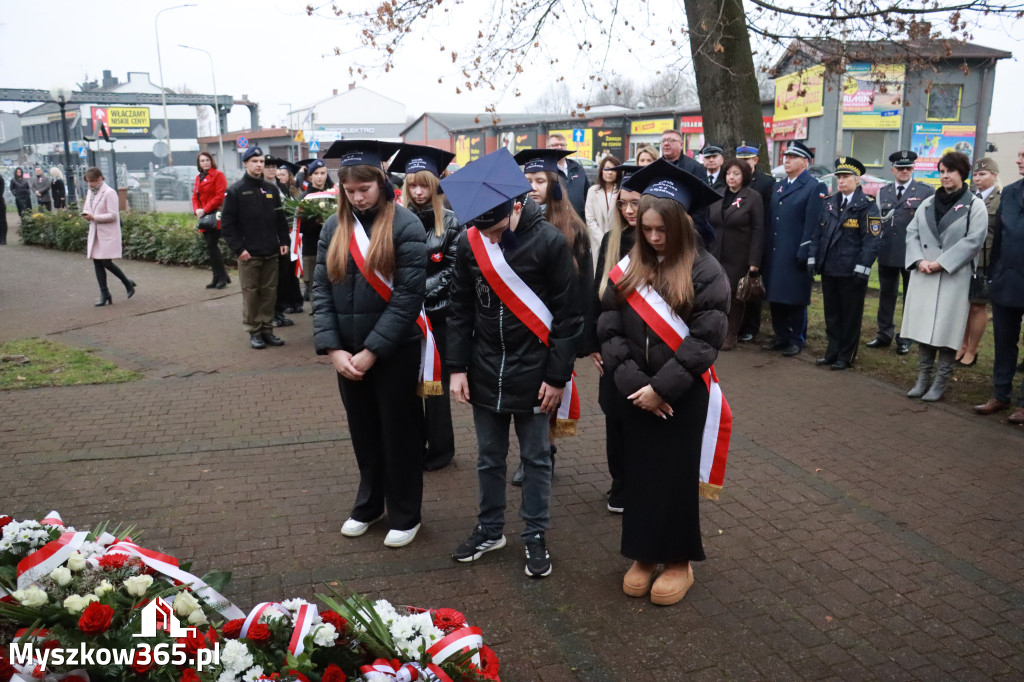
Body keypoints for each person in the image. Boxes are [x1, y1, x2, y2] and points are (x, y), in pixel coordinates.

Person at [443, 149, 582, 578]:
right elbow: (460, 307)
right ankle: (490, 528)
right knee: (488, 457)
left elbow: (568, 316)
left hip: (537, 372)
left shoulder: (550, 243)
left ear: (516, 205)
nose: (488, 237)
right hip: (485, 366)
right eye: (480, 230)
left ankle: (535, 535)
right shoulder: (471, 243)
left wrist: (557, 376)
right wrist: (457, 368)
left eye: (496, 228)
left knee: (537, 458)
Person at [597, 158, 730, 606]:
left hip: (680, 397)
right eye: (647, 230)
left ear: (683, 225)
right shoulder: (628, 265)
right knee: (638, 475)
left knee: (673, 477)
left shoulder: (707, 271)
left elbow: (704, 341)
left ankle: (677, 561)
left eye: (662, 231)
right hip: (635, 394)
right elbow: (609, 325)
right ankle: (641, 554)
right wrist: (635, 383)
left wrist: (661, 389)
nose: (653, 238)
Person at [313, 139, 427, 548]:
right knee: (363, 431)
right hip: (347, 352)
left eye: (364, 189)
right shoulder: (333, 228)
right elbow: (321, 292)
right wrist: (333, 349)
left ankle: (405, 512)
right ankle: (368, 504)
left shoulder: (405, 226)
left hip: (393, 350)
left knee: (398, 432)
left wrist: (371, 350)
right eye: (350, 191)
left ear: (381, 182)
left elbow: (407, 298)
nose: (357, 197)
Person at [512, 147, 593, 485]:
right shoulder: (512, 223)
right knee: (525, 395)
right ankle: (527, 454)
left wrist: (579, 340)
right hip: (522, 323)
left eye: (540, 180)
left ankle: (544, 452)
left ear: (554, 184)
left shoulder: (574, 229)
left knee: (548, 394)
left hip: (556, 324)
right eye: (527, 180)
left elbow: (584, 286)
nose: (533, 186)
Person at [392, 143, 462, 472]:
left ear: (436, 186)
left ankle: (441, 449)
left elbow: (453, 269)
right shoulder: (393, 220)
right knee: (407, 387)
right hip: (405, 317)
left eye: (425, 185)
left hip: (439, 317)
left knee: (436, 389)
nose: (418, 192)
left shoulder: (451, 221)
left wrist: (419, 293)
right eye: (413, 185)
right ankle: (414, 446)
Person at [902, 151, 988, 402]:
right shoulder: (928, 203)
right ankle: (923, 378)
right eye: (941, 171)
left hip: (953, 275)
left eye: (950, 171)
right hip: (925, 273)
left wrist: (942, 263)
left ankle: (941, 381)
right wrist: (920, 261)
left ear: (962, 173)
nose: (945, 176)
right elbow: (912, 233)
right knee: (924, 327)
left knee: (948, 329)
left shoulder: (975, 205)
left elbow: (974, 241)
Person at [587, 164, 642, 514]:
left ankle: (642, 481)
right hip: (612, 346)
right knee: (615, 417)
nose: (629, 210)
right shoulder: (611, 241)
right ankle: (620, 483)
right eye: (623, 204)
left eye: (636, 203)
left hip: (648, 347)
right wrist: (592, 343)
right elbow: (596, 292)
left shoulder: (658, 239)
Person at [808, 157, 882, 370]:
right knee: (832, 314)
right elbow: (818, 234)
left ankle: (845, 355)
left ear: (857, 180)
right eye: (838, 177)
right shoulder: (830, 202)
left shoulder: (866, 205)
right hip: (830, 268)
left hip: (852, 271)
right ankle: (832, 351)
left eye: (845, 177)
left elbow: (872, 240)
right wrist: (813, 259)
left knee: (850, 315)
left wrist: (863, 267)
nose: (841, 181)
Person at [220, 147, 291, 350]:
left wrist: (284, 241)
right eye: (254, 161)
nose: (259, 165)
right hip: (249, 254)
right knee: (251, 294)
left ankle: (267, 329)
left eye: (261, 161)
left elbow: (280, 218)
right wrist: (239, 249)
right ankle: (254, 331)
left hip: (271, 251)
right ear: (245, 164)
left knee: (269, 292)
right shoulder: (236, 191)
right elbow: (227, 225)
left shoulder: (271, 189)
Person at [974, 142, 1024, 424]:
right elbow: (1000, 240)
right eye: (1018, 154)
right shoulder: (1012, 192)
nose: (1018, 160)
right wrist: (993, 275)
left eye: (1022, 156)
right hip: (1006, 281)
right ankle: (1000, 395)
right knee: (1005, 342)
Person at [763, 141, 827, 357]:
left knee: (795, 298)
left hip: (795, 251)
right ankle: (781, 335)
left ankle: (796, 339)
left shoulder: (814, 186)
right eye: (785, 156)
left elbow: (812, 223)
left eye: (792, 157)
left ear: (805, 162)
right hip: (775, 250)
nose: (787, 160)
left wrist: (805, 251)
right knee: (776, 295)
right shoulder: (780, 185)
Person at [868, 150, 934, 355]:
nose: (904, 171)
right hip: (887, 250)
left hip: (913, 253)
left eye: (908, 168)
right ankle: (883, 334)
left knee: (910, 296)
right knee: (886, 295)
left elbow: (929, 223)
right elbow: (877, 222)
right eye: (900, 168)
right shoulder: (883, 192)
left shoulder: (925, 191)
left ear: (913, 169)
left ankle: (906, 337)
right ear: (893, 170)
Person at [709, 158, 764, 350]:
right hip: (716, 253)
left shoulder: (752, 197)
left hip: (739, 255)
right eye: (728, 174)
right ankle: (716, 332)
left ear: (744, 176)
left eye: (736, 174)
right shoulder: (717, 193)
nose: (731, 177)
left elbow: (758, 230)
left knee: (734, 296)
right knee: (716, 295)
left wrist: (754, 262)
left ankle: (731, 335)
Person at [957, 158, 1001, 367]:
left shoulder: (1000, 200)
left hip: (985, 260)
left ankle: (972, 351)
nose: (977, 178)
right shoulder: (969, 198)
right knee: (964, 306)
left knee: (977, 307)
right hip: (967, 259)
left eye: (983, 174)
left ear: (994, 176)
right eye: (975, 174)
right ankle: (962, 345)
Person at [735, 143, 774, 343]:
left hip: (755, 240)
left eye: (746, 160)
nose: (743, 164)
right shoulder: (733, 180)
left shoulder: (766, 183)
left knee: (752, 284)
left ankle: (751, 327)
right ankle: (737, 325)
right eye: (740, 160)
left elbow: (767, 217)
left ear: (755, 161)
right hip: (736, 241)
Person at [82, 167, 135, 306]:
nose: (90, 184)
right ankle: (104, 293)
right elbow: (88, 207)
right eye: (88, 182)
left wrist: (94, 217)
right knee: (97, 262)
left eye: (92, 181)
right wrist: (87, 214)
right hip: (95, 231)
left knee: (106, 262)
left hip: (107, 232)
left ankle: (127, 283)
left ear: (99, 179)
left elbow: (113, 215)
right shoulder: (90, 192)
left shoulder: (109, 193)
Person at [262, 157, 303, 325]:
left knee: (283, 278)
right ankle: (270, 314)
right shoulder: (261, 188)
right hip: (267, 240)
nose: (272, 170)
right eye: (268, 167)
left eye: (274, 167)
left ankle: (279, 311)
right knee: (271, 281)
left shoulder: (281, 188)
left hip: (284, 239)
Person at [299, 159, 335, 302]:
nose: (320, 177)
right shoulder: (303, 198)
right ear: (310, 177)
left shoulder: (332, 196)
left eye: (323, 173)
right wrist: (317, 221)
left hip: (331, 249)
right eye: (316, 173)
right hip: (311, 248)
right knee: (314, 288)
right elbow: (299, 227)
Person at [192, 152, 229, 289]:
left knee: (212, 246)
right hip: (203, 217)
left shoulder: (218, 175)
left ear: (211, 161)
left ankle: (221, 278)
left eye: (207, 160)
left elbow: (220, 196)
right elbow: (195, 197)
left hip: (215, 215)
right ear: (199, 163)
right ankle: (219, 276)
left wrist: (205, 210)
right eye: (202, 161)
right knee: (210, 247)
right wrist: (196, 210)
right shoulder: (198, 178)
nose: (205, 163)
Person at [584, 155, 622, 261]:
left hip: (617, 241)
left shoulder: (622, 191)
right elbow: (590, 220)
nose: (609, 172)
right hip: (598, 241)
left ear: (618, 172)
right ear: (601, 171)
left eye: (613, 169)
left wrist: (613, 240)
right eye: (606, 169)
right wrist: (603, 240)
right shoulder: (593, 191)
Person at [546, 132, 590, 218]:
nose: (559, 147)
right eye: (555, 145)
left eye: (562, 144)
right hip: (555, 221)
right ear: (547, 148)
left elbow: (587, 194)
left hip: (579, 221)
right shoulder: (545, 170)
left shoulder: (577, 168)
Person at [0, 172, 7, 245]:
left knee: (2, 221)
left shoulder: (1, 179)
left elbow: (1, 192)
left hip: (0, 203)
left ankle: (3, 238)